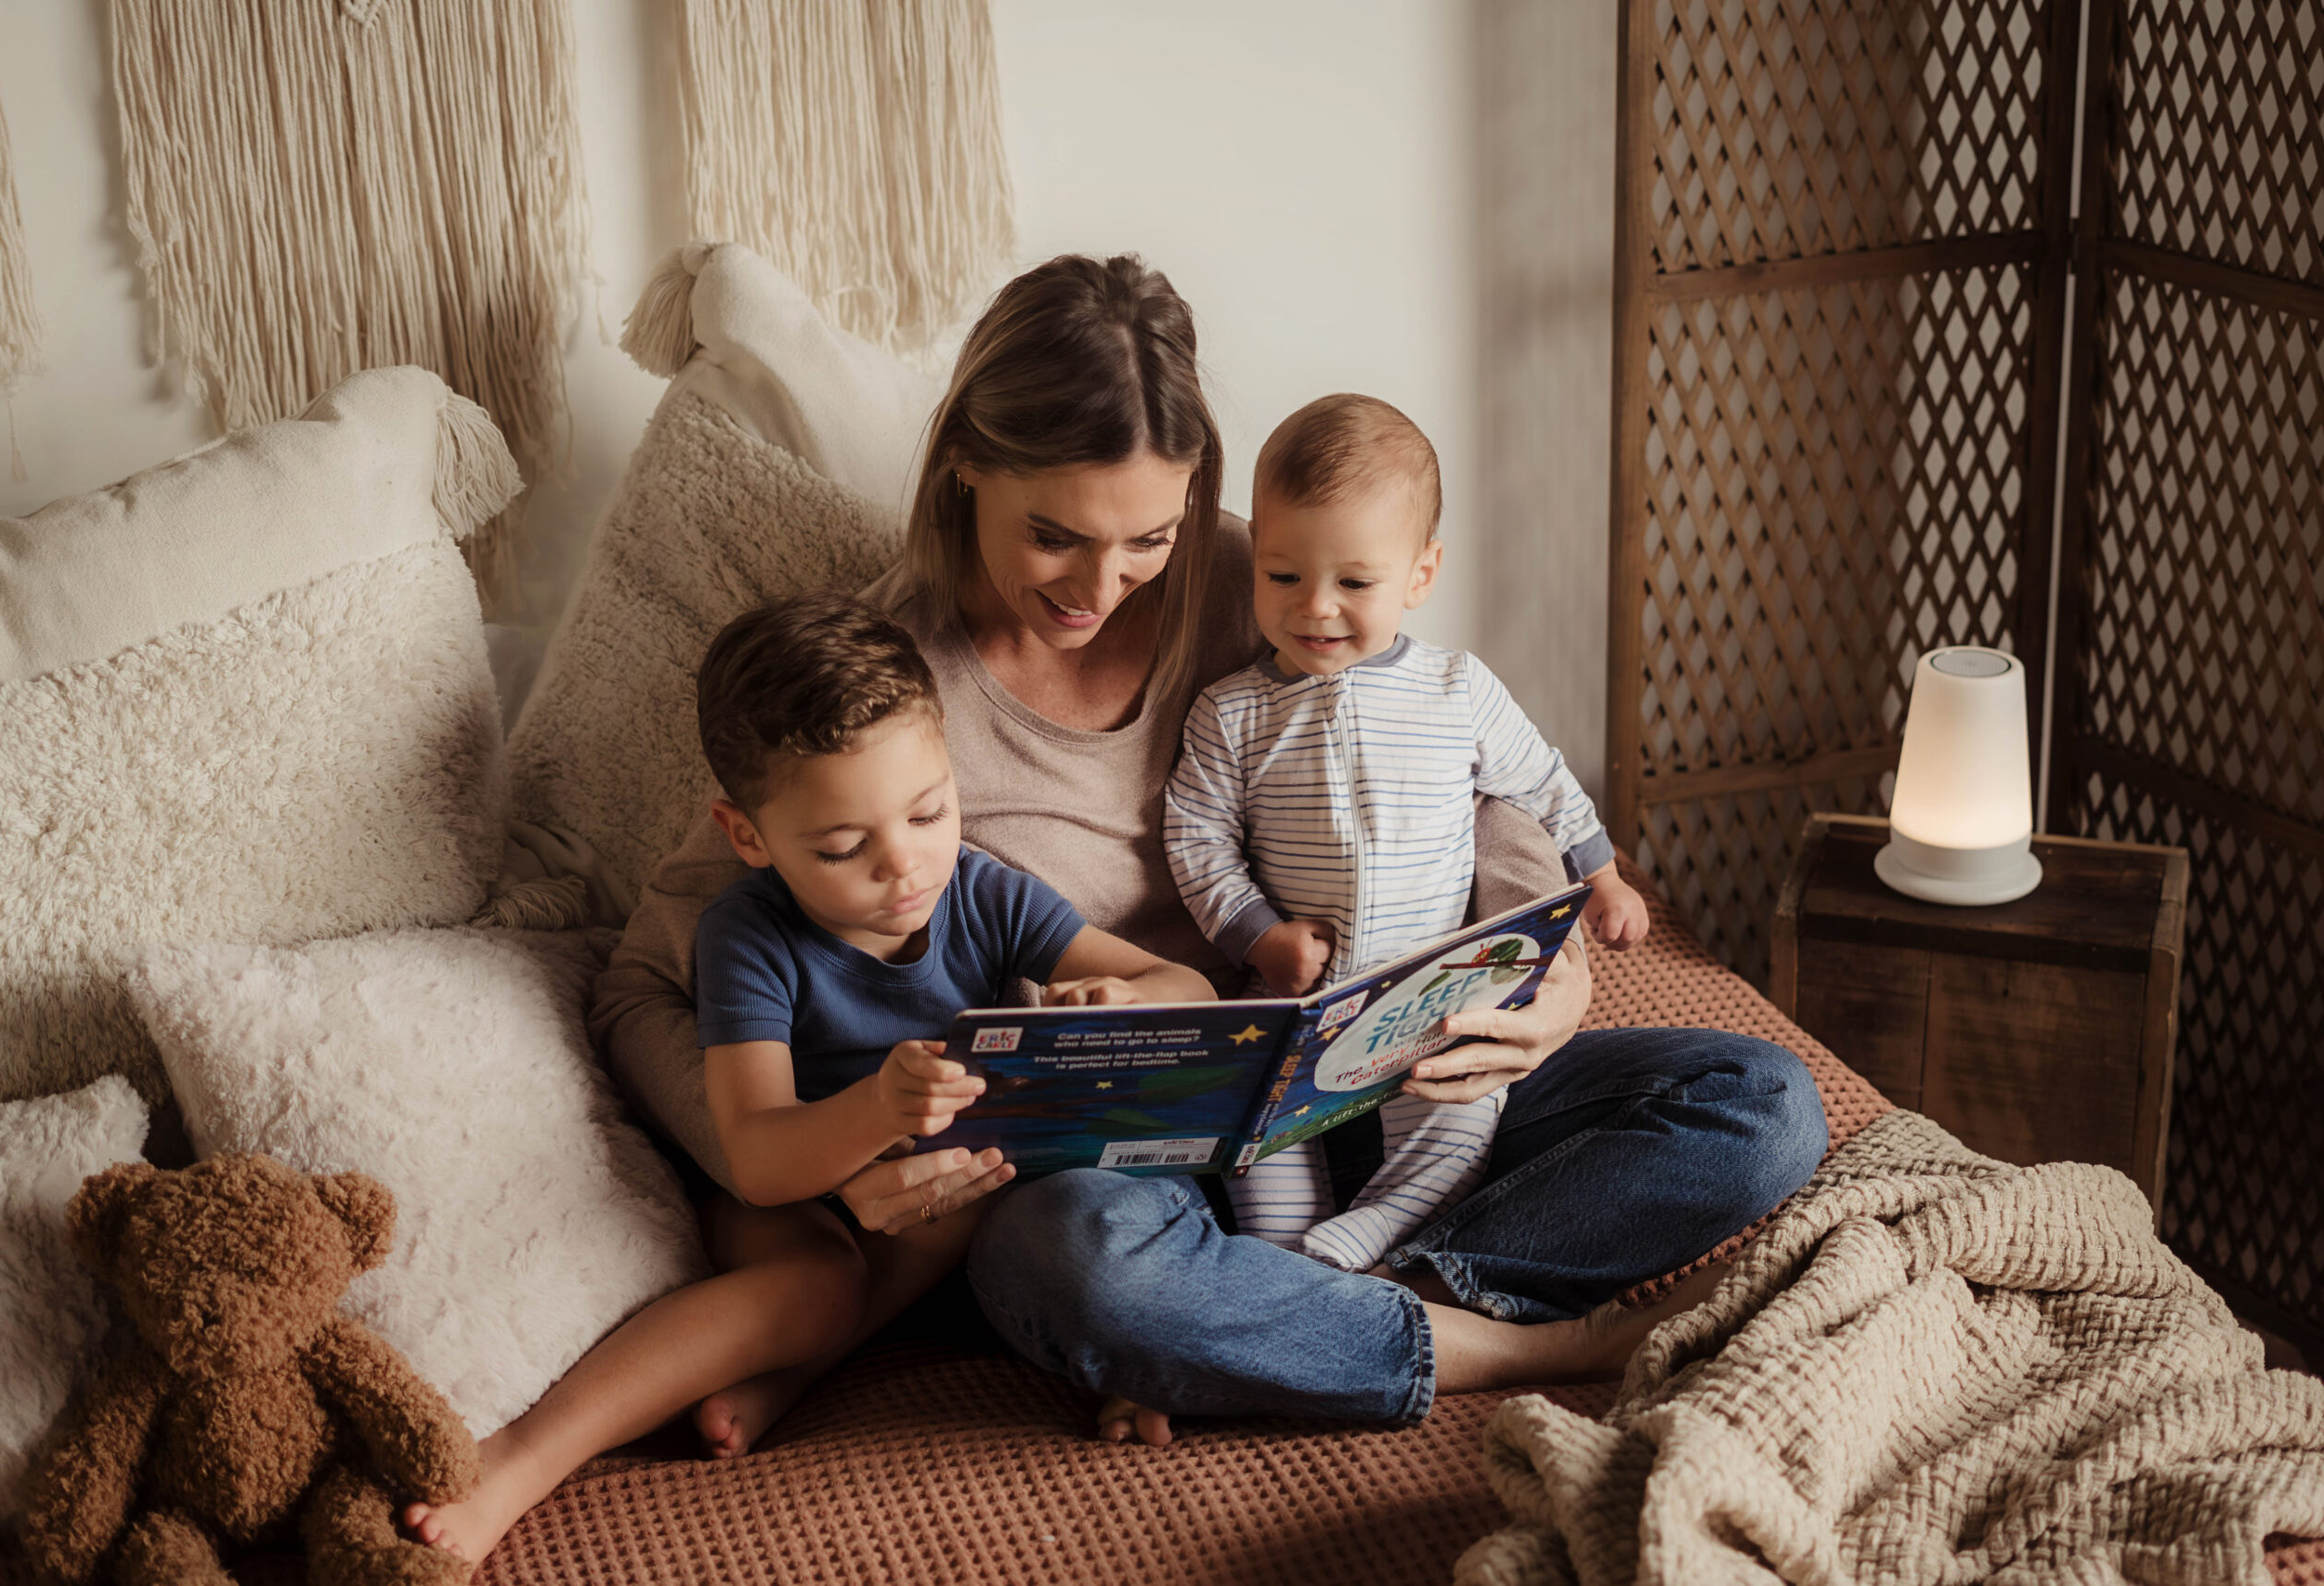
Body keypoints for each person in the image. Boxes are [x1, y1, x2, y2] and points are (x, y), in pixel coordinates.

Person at [588, 252, 1828, 1458]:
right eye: (1056, 535)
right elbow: (637, 982)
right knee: (1084, 1270)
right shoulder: (887, 706)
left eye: (1149, 538)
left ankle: (1345, 1294)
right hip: (1135, 1171)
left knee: (1763, 1104)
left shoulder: (1264, 573)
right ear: (963, 462)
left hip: (1377, 1071)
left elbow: (1446, 759)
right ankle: (1487, 1338)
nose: (1105, 585)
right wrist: (819, 1173)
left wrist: (1547, 978)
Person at [403, 593, 1212, 1560]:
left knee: (1002, 1179)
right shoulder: (749, 936)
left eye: (928, 810)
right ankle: (525, 1456)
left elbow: (1186, 986)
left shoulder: (984, 890)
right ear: (748, 836)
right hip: (792, 1199)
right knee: (820, 1283)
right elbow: (758, 1158)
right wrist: (878, 1107)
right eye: (841, 847)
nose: (905, 866)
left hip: (937, 1203)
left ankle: (800, 1375)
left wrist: (1125, 1000)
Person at [1164, 393, 1651, 1273]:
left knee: (1461, 1130)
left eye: (1355, 582)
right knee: (1250, 1145)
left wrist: (1604, 876)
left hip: (1431, 1000)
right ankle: (1283, 1262)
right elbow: (1197, 841)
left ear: (1420, 574)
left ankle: (1354, 1246)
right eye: (1283, 577)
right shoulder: (1231, 712)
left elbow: (1541, 783)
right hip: (1293, 1007)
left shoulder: (1457, 689)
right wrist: (1258, 936)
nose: (1316, 607)